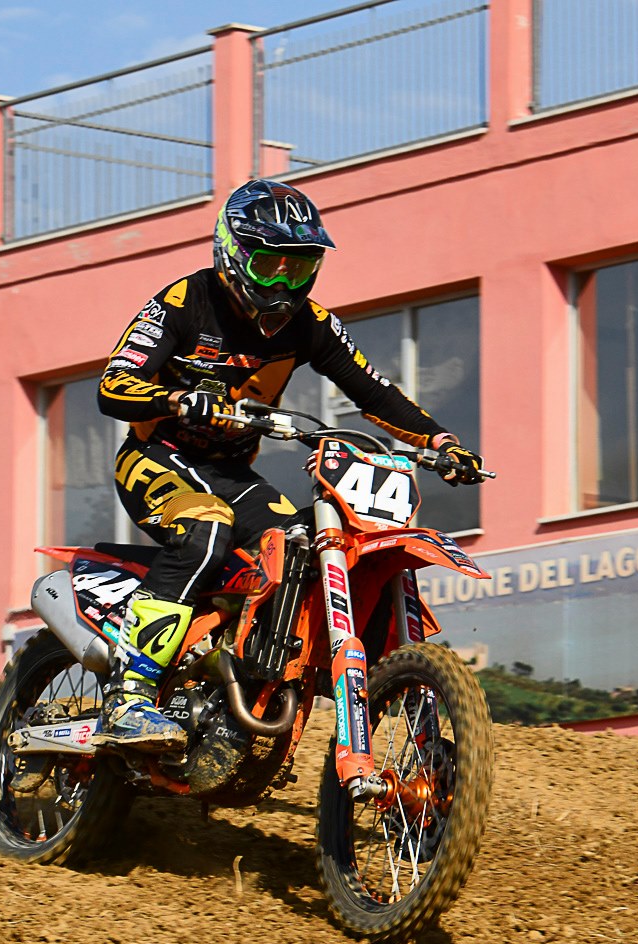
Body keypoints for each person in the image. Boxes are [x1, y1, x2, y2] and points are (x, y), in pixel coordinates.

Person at [93, 178, 485, 749]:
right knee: (207, 530)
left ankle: (245, 679)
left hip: (232, 473)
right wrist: (175, 399)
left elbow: (374, 391)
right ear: (233, 253)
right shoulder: (184, 302)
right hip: (158, 458)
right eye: (271, 265)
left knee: (299, 546)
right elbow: (112, 385)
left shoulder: (311, 324)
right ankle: (129, 696)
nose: (283, 284)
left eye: (298, 269)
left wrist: (442, 441)